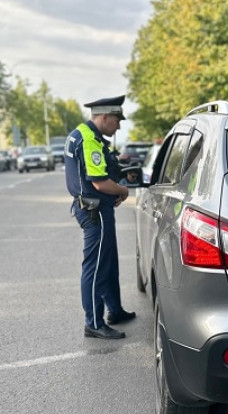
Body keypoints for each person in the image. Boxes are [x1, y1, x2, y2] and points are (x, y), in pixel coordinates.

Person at [64, 95, 136, 339]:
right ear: (104, 117)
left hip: (96, 208)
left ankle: (114, 310)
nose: (118, 126)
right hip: (95, 210)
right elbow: (99, 183)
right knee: (95, 267)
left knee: (107, 262)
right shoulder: (89, 139)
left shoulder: (84, 135)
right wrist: (123, 190)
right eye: (117, 120)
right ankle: (94, 323)